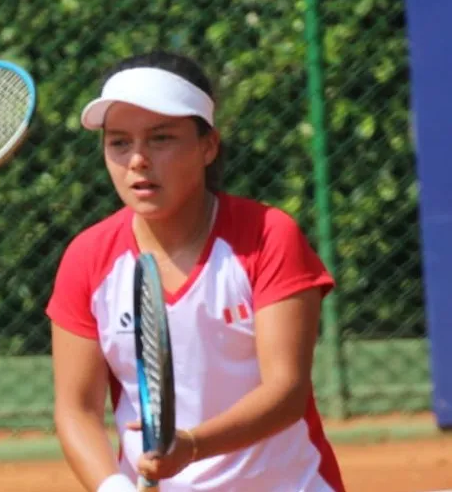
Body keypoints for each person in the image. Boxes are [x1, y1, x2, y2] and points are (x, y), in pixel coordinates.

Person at [46, 50, 347, 492]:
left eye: (161, 138)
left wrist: (190, 446)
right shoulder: (88, 257)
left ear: (208, 146)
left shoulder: (268, 236)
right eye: (119, 142)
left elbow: (286, 391)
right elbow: (77, 409)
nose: (138, 160)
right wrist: (114, 488)